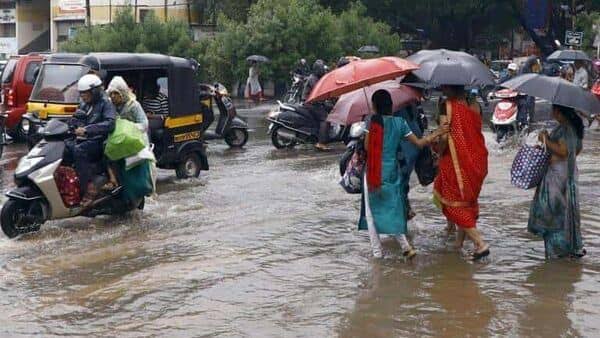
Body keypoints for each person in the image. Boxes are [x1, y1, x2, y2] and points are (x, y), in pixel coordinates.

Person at [359, 90, 449, 259]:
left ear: (375, 105)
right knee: (393, 208)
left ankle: (377, 253)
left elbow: (366, 148)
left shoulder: (372, 123)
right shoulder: (400, 123)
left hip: (374, 171)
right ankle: (406, 247)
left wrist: (370, 126)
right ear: (390, 105)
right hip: (392, 172)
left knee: (371, 213)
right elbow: (420, 143)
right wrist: (437, 132)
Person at [434, 85, 489, 260]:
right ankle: (458, 244)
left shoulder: (446, 106)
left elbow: (443, 137)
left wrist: (437, 149)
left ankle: (480, 243)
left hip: (455, 160)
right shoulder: (475, 105)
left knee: (452, 203)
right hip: (477, 159)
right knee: (466, 201)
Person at [529, 105, 586, 258]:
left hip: (557, 176)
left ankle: (557, 253)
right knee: (566, 211)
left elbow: (563, 151)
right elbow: (575, 151)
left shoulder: (566, 129)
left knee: (553, 213)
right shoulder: (573, 128)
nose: (552, 113)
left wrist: (546, 140)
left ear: (559, 112)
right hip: (568, 173)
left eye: (553, 110)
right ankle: (569, 249)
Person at [65, 74, 116, 205]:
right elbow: (76, 117)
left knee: (79, 150)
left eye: (85, 93)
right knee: (63, 147)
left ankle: (87, 188)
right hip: (84, 139)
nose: (82, 96)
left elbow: (110, 123)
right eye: (81, 93)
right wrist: (69, 125)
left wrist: (88, 130)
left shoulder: (106, 103)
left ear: (94, 91)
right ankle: (67, 183)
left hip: (99, 140)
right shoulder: (84, 104)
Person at [104, 76, 150, 190]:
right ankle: (112, 180)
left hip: (133, 141)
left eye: (116, 93)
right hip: (115, 141)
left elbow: (144, 124)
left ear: (123, 93)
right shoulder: (109, 106)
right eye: (111, 93)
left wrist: (129, 129)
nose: (113, 96)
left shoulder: (133, 105)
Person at [302, 60, 329, 151]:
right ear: (318, 70)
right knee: (325, 119)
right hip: (311, 103)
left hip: (313, 102)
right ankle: (321, 143)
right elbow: (319, 91)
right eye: (321, 69)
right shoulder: (313, 79)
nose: (323, 71)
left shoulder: (315, 78)